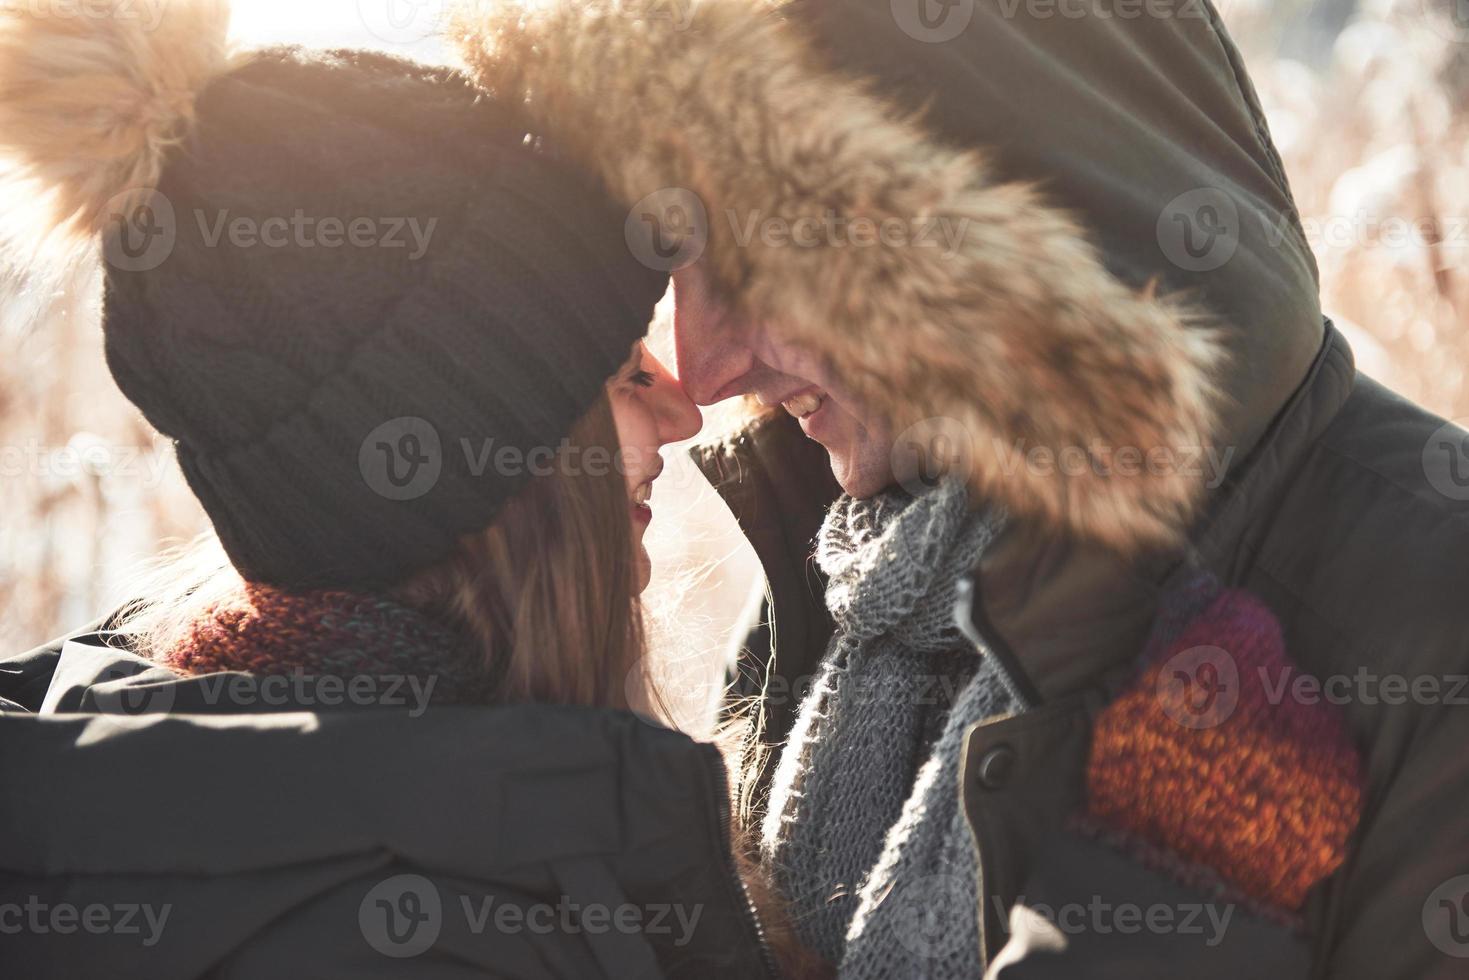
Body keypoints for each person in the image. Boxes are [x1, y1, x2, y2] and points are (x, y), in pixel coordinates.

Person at [451, 0, 1469, 977]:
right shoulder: (841, 580)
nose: (705, 370)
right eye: (682, 263)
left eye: (763, 262)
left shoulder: (1429, 621)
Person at [0, 2, 812, 977]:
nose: (685, 409)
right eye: (622, 376)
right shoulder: (412, 927)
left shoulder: (334, 823)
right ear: (496, 482)